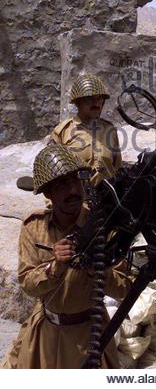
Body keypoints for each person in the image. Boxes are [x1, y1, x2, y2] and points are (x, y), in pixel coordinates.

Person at [2, 144, 130, 369]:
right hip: (45, 334)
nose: (72, 190)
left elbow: (125, 288)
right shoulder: (34, 227)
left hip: (90, 336)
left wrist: (97, 266)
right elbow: (28, 284)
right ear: (48, 193)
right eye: (62, 184)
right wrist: (54, 268)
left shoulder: (103, 224)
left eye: (75, 180)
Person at [50, 73, 122, 185]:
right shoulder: (63, 131)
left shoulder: (110, 130)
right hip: (78, 199)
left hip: (109, 199)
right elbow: (51, 175)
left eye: (99, 99)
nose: (96, 103)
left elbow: (118, 169)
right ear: (78, 102)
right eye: (90, 99)